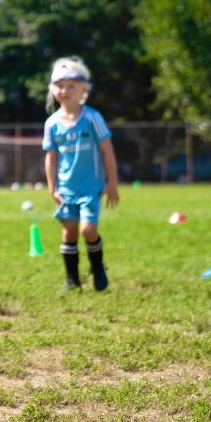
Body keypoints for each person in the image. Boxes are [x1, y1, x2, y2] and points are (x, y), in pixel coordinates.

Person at [42, 56, 120, 293]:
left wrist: (112, 183)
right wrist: (52, 187)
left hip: (91, 188)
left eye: (71, 85)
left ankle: (97, 267)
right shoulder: (52, 123)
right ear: (52, 89)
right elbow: (51, 157)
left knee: (88, 230)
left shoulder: (92, 118)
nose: (64, 90)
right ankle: (72, 280)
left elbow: (107, 152)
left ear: (83, 89)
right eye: (59, 85)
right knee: (69, 233)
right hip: (66, 189)